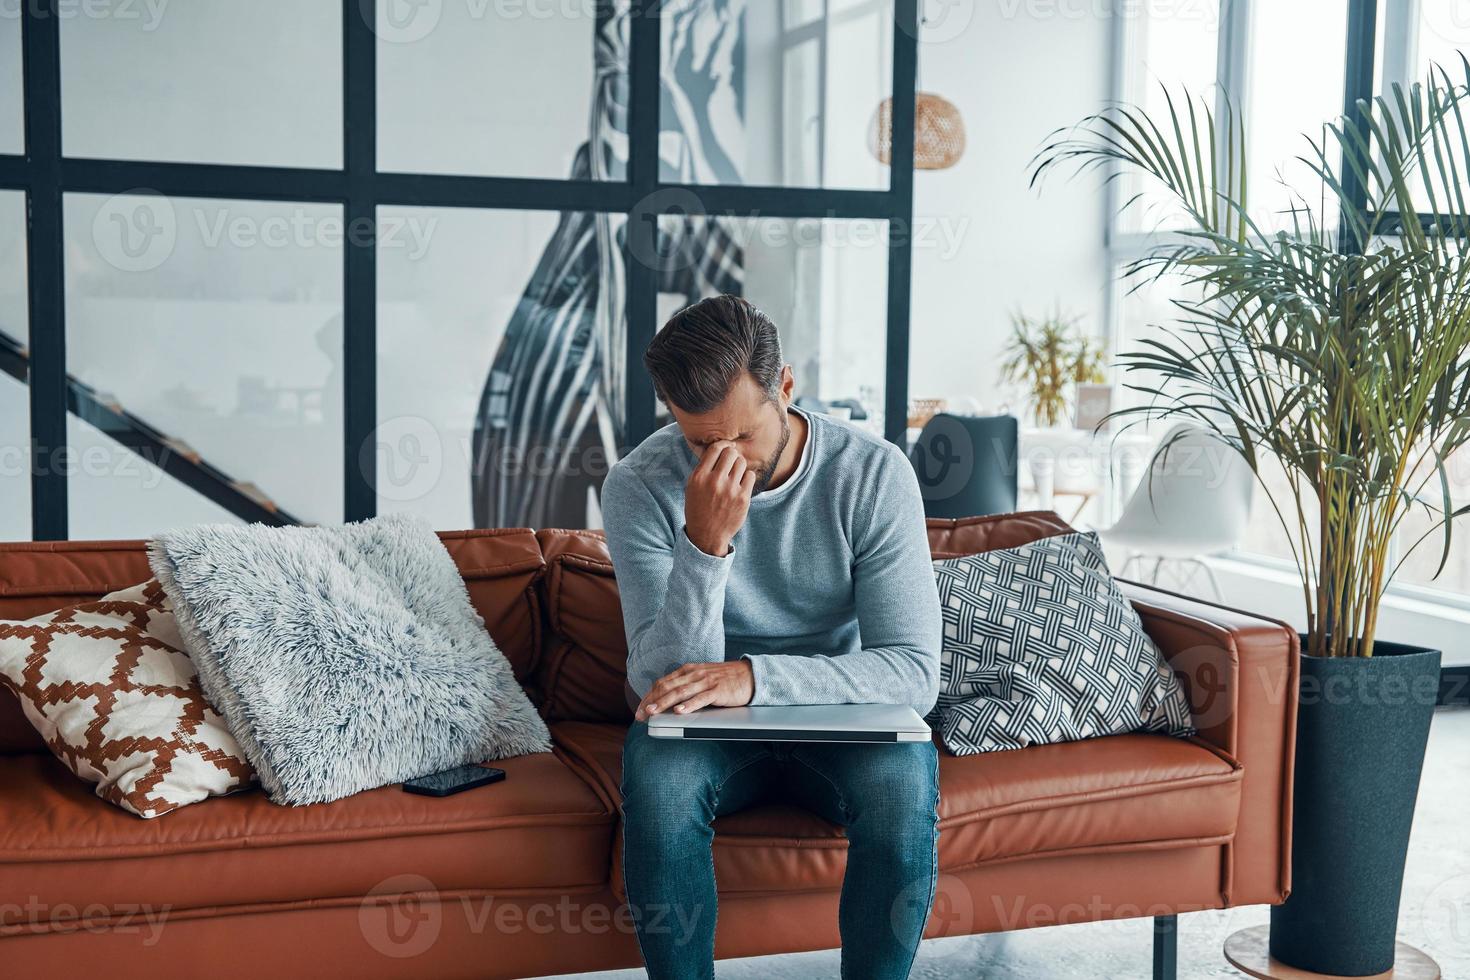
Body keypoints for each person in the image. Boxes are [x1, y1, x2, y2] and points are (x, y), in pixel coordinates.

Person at [600, 294, 943, 980]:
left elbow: (912, 671)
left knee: (903, 786)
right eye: (700, 442)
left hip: (841, 717)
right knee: (659, 785)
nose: (723, 463)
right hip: (708, 730)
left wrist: (753, 676)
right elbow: (660, 681)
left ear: (785, 386)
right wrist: (705, 545)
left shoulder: (872, 474)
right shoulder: (639, 485)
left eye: (742, 437)